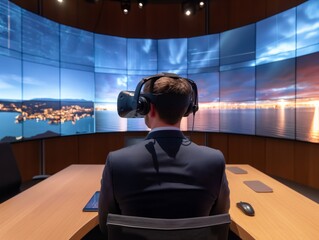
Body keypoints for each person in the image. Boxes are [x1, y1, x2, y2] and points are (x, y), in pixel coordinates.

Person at [98, 73, 230, 236]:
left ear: (147, 107)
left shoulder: (116, 162)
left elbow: (105, 226)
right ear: (187, 110)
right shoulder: (214, 160)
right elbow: (218, 222)